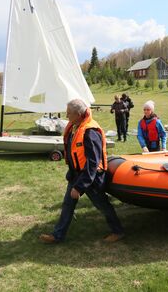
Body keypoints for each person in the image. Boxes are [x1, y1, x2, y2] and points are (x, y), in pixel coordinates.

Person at [39, 99, 124, 243]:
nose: (67, 116)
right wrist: (73, 177)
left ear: (78, 114)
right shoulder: (75, 126)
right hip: (77, 175)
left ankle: (118, 231)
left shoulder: (90, 132)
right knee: (68, 204)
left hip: (91, 177)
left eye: (69, 113)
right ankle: (57, 236)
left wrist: (79, 187)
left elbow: (93, 163)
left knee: (102, 205)